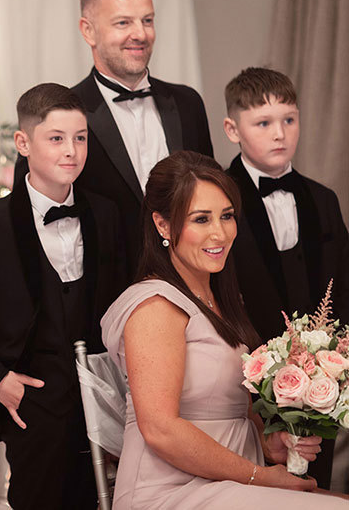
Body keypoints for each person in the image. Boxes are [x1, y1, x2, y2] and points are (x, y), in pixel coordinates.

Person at [101, 150, 348, 509]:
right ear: (163, 225)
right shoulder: (155, 306)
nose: (219, 233)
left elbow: (233, 410)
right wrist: (260, 476)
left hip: (233, 483)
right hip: (171, 491)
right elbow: (160, 430)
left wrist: (271, 444)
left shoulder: (223, 300)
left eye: (227, 216)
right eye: (201, 219)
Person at [0, 83, 126, 509]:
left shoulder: (107, 215)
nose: (71, 150)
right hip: (34, 405)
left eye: (80, 138)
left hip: (106, 400)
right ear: (23, 143)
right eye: (56, 138)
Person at [16, 0, 213, 276]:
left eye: (147, 20)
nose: (141, 34)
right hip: (104, 298)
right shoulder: (60, 114)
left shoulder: (188, 104)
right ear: (88, 30)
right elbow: (29, 216)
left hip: (193, 282)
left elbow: (212, 201)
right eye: (123, 22)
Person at [223, 67, 349, 487]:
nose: (280, 134)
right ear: (232, 129)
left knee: (317, 487)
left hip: (321, 384)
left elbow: (343, 283)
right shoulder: (220, 200)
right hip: (244, 385)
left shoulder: (323, 199)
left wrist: (333, 361)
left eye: (289, 120)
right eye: (263, 123)